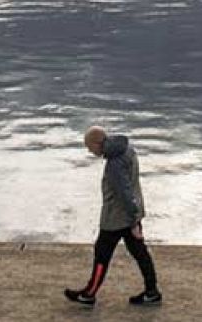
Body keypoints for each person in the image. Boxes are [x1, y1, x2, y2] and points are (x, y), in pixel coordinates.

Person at [64, 125, 162, 307]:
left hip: (117, 218)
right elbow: (131, 187)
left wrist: (132, 221)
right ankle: (152, 292)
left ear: (97, 143)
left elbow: (124, 192)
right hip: (132, 212)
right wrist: (135, 217)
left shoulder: (114, 165)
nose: (89, 150)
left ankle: (89, 295)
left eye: (89, 147)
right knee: (140, 253)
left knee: (102, 253)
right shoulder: (127, 150)